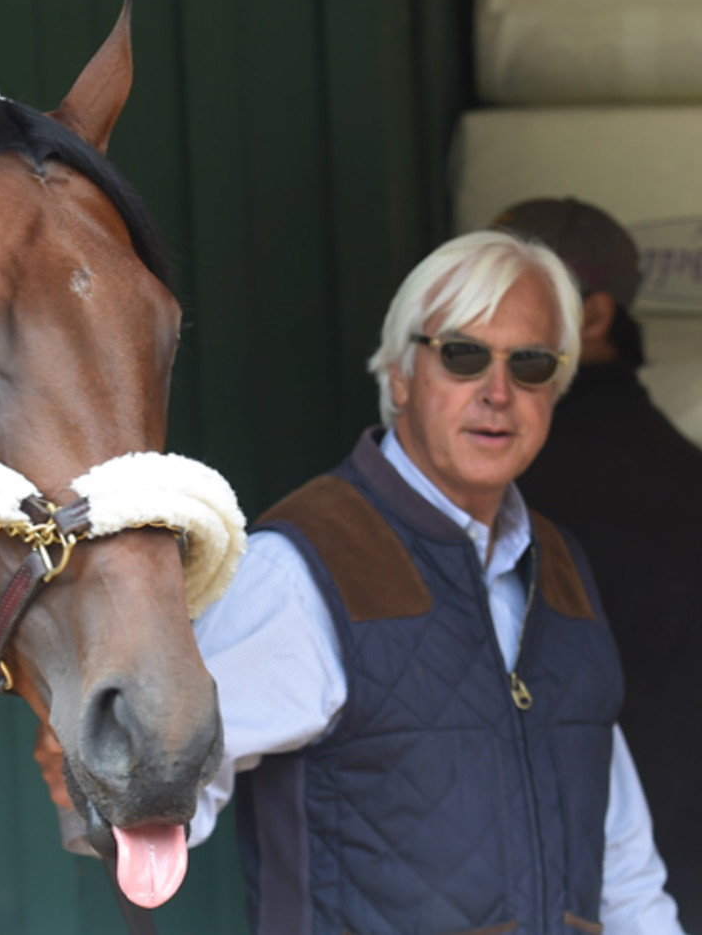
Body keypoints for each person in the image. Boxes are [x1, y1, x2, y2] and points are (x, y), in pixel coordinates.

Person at [181, 230, 684, 933]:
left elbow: (624, 863)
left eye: (531, 362)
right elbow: (145, 799)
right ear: (399, 374)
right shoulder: (299, 568)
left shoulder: (561, 566)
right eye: (463, 354)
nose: (498, 392)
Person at [496, 197, 702, 930]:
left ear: (597, 317)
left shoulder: (507, 489)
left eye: (513, 297)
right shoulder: (682, 470)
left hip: (587, 890)